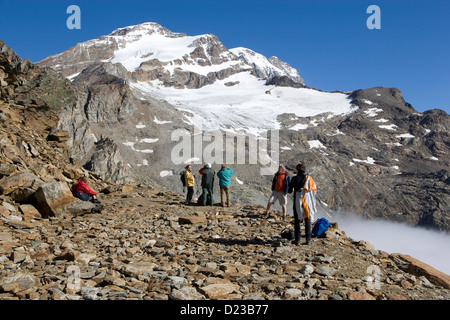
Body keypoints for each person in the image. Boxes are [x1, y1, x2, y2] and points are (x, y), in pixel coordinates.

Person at [288, 163, 317, 245]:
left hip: (297, 200)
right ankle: (308, 239)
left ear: (297, 170)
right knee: (307, 218)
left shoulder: (294, 178)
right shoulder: (309, 178)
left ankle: (297, 240)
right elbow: (314, 189)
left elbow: (290, 190)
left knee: (297, 220)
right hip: (307, 201)